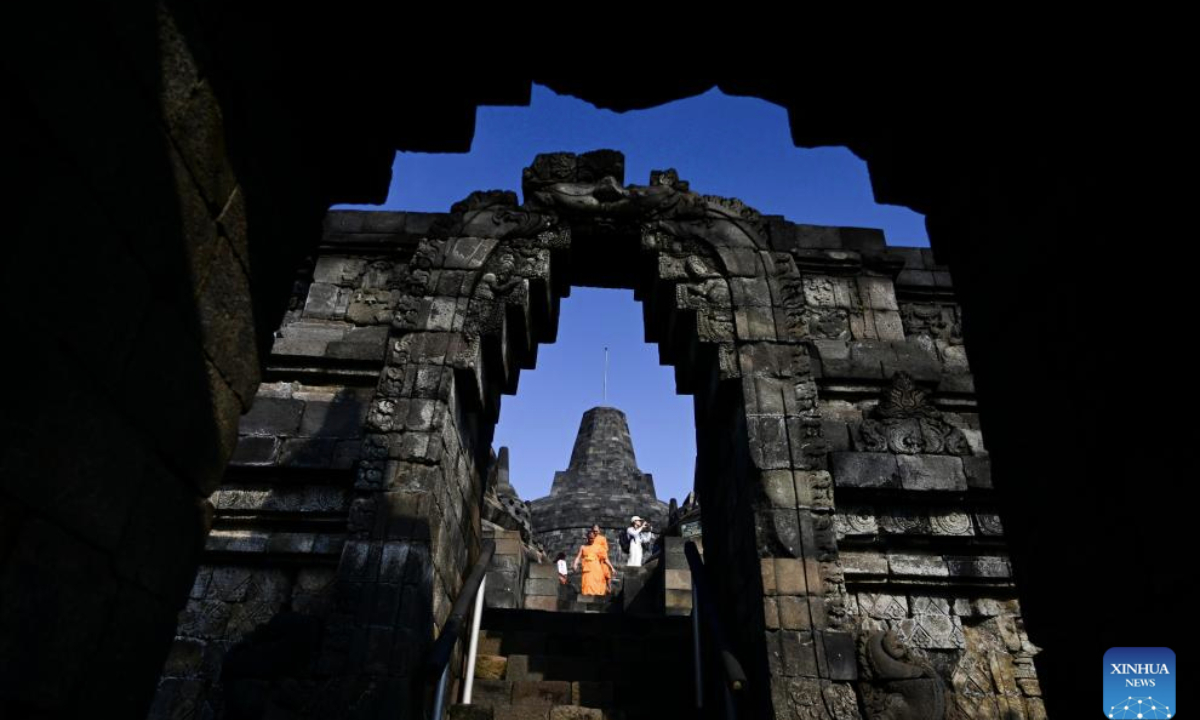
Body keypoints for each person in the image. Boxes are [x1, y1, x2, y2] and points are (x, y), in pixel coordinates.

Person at [572, 529, 612, 595]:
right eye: (590, 538)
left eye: (593, 538)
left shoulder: (598, 547)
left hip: (596, 569)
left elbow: (605, 559)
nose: (592, 540)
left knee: (596, 584)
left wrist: (611, 567)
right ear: (587, 538)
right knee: (587, 583)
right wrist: (575, 564)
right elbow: (578, 557)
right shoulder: (583, 547)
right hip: (587, 568)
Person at [591, 524, 612, 590]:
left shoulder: (602, 538)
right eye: (594, 531)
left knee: (607, 574)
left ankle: (609, 588)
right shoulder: (591, 539)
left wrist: (600, 553)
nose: (595, 532)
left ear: (599, 531)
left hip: (602, 559)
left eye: (596, 531)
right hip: (593, 560)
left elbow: (606, 549)